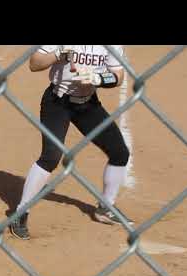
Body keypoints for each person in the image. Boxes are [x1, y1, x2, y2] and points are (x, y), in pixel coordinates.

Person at [10, 45, 133, 241]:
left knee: (120, 152)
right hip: (57, 103)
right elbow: (34, 64)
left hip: (88, 105)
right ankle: (20, 212)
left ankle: (105, 208)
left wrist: (98, 79)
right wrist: (59, 53)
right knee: (51, 157)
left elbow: (118, 76)